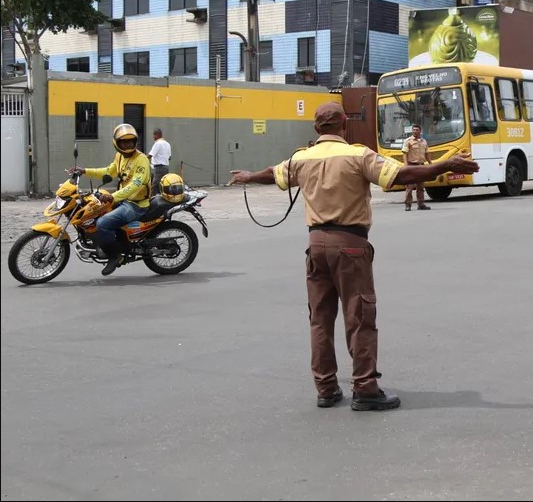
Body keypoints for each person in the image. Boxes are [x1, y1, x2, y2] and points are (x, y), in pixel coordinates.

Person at [227, 102, 480, 412]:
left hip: (315, 245)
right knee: (359, 316)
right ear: (344, 125)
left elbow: (273, 174)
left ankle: (326, 388)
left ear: (316, 128)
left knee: (319, 319)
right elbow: (401, 174)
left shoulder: (301, 159)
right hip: (350, 244)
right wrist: (445, 165)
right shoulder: (358, 155)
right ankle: (365, 388)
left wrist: (248, 176)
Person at [67, 123, 152, 276]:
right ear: (117, 143)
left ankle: (115, 256)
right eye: (123, 142)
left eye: (130, 141)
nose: (127, 144)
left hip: (136, 205)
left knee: (102, 223)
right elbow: (108, 171)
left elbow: (135, 185)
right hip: (124, 199)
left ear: (135, 141)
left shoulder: (142, 160)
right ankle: (111, 242)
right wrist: (85, 171)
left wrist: (112, 197)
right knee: (94, 211)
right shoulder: (120, 156)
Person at [401, 124, 432, 211]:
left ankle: (421, 204)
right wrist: (406, 166)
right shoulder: (408, 141)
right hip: (411, 166)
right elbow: (405, 154)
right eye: (413, 130)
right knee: (409, 187)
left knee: (421, 186)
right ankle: (408, 205)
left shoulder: (424, 141)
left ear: (420, 131)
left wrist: (430, 164)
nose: (415, 131)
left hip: (421, 166)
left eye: (416, 130)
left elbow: (427, 154)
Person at [148, 128, 172, 195]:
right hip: (166, 168)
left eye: (153, 135)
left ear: (157, 135)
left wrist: (142, 158)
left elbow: (150, 155)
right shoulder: (168, 144)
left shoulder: (158, 143)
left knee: (154, 187)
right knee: (163, 186)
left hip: (158, 168)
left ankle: (151, 202)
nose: (153, 137)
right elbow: (169, 157)